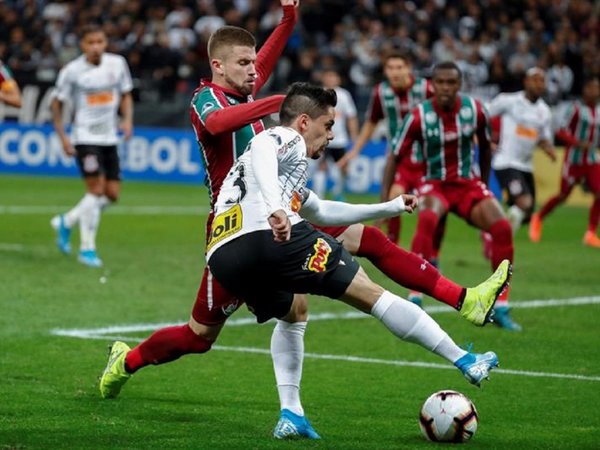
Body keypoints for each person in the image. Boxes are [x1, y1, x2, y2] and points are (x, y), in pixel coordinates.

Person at [98, 22, 508, 440]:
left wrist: (289, 19)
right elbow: (224, 126)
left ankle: (463, 299)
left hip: (257, 223)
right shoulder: (216, 101)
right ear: (218, 66)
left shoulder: (260, 113)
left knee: (343, 259)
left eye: (255, 64)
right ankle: (127, 362)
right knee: (210, 333)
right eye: (243, 64)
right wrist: (278, 106)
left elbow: (315, 201)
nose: (254, 70)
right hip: (247, 222)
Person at [203, 82, 509, 434]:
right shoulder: (282, 138)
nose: (331, 135)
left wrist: (389, 206)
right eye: (328, 125)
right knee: (371, 293)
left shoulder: (286, 171)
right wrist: (276, 210)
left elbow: (322, 209)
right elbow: (261, 149)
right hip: (268, 237)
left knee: (294, 312)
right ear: (304, 122)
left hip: (225, 257)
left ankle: (291, 415)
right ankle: (466, 360)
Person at [382, 61, 520, 331]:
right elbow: (394, 157)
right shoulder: (419, 115)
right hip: (434, 184)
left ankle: (501, 305)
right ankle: (415, 297)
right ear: (432, 85)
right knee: (428, 219)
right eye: (440, 83)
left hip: (467, 185)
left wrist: (483, 182)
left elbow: (487, 146)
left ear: (459, 85)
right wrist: (383, 200)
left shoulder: (475, 110)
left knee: (503, 227)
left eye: (451, 83)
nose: (445, 88)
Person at [50, 24, 134, 267]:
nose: (96, 47)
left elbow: (126, 93)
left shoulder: (117, 64)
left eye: (100, 41)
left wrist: (127, 121)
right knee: (95, 191)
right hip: (85, 138)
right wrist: (63, 137)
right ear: (82, 45)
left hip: (110, 137)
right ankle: (87, 249)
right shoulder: (72, 71)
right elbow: (56, 104)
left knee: (111, 194)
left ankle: (67, 220)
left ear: (105, 43)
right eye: (90, 42)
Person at [338, 52, 435, 248]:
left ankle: (430, 254)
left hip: (428, 160)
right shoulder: (381, 92)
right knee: (394, 200)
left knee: (430, 210)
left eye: (399, 67)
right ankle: (393, 246)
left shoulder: (425, 88)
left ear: (408, 68)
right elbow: (371, 123)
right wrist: (354, 151)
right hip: (398, 160)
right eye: (390, 68)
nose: (395, 72)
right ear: (385, 71)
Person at [529, 76, 600, 247]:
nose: (595, 91)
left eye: (597, 88)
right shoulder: (575, 109)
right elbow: (560, 132)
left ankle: (590, 233)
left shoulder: (598, 111)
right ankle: (538, 217)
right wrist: (577, 143)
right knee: (563, 195)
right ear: (585, 90)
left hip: (591, 159)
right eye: (591, 87)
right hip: (573, 160)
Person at [487, 67, 556, 236]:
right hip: (506, 162)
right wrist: (485, 140)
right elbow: (483, 114)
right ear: (526, 81)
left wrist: (548, 148)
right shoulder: (508, 101)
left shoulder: (545, 112)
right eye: (535, 80)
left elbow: (542, 137)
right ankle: (497, 235)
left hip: (526, 166)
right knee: (524, 203)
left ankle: (491, 227)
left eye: (542, 81)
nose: (539, 84)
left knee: (527, 213)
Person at [310, 68, 358, 201]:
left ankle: (338, 193)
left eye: (333, 76)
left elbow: (351, 116)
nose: (331, 79)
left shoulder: (344, 95)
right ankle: (319, 197)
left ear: (338, 79)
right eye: (328, 76)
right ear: (323, 78)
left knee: (343, 168)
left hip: (340, 140)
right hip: (321, 139)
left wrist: (354, 136)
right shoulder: (318, 95)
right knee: (321, 167)